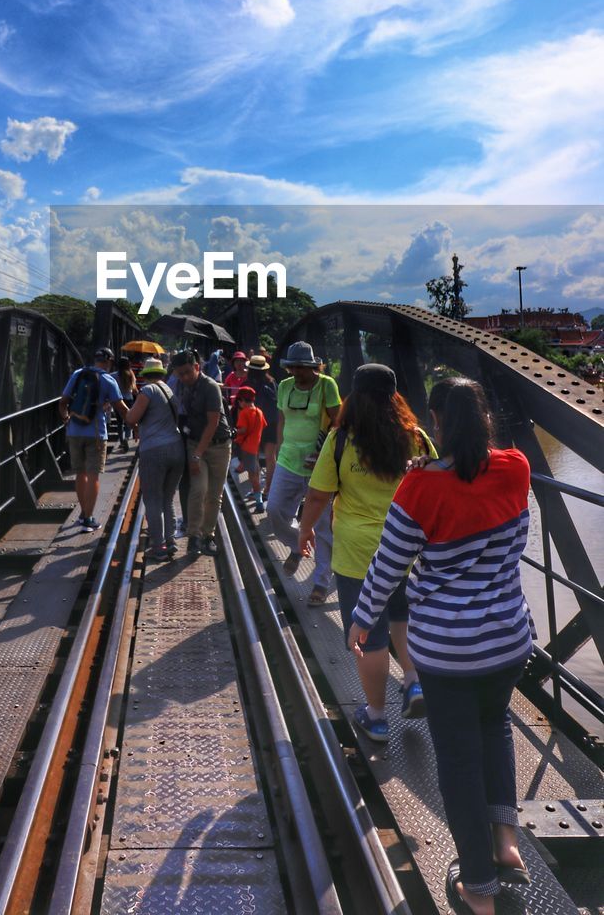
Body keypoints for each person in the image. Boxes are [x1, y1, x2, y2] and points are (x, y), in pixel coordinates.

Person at [347, 379, 534, 915]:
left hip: (448, 650)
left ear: (436, 421)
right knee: (494, 727)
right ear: (484, 416)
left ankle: (477, 887)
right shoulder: (517, 467)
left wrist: (361, 622)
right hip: (508, 639)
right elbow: (488, 492)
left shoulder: (420, 488)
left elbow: (388, 567)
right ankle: (506, 842)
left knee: (457, 759)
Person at [299, 363, 435, 730]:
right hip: (408, 550)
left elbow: (317, 495)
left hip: (358, 554)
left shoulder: (341, 439)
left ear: (354, 395)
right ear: (394, 396)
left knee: (367, 636)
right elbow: (437, 482)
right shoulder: (416, 438)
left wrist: (305, 531)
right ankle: (413, 681)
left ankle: (376, 719)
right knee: (403, 619)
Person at [267, 341, 341, 602]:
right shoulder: (285, 387)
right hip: (288, 460)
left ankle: (321, 583)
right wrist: (275, 454)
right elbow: (282, 421)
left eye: (301, 367)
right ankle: (297, 545)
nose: (296, 372)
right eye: (293, 367)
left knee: (323, 527)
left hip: (318, 466)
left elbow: (338, 422)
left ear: (313, 366)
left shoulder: (326, 385)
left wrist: (323, 453)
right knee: (274, 511)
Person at [59, 347, 129, 532]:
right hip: (96, 433)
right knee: (93, 475)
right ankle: (89, 518)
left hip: (74, 432)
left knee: (80, 474)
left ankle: (83, 513)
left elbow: (63, 402)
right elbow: (121, 408)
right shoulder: (108, 379)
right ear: (109, 361)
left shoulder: (77, 374)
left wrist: (66, 419)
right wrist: (137, 425)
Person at [171, 348, 232, 557]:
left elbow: (213, 422)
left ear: (197, 367)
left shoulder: (210, 386)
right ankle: (194, 536)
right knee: (198, 490)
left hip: (219, 445)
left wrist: (197, 454)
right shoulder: (181, 386)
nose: (185, 377)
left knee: (214, 495)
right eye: (180, 373)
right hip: (195, 443)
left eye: (188, 372)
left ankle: (208, 535)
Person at [124, 358, 184, 560]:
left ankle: (158, 547)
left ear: (146, 375)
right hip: (176, 448)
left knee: (153, 499)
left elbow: (131, 419)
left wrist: (123, 408)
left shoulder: (147, 391)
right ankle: (171, 540)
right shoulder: (169, 390)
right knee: (168, 499)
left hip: (155, 451)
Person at [246, 353, 278, 508]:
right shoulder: (272, 382)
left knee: (255, 458)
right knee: (271, 458)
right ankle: (268, 490)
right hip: (271, 424)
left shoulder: (248, 384)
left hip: (254, 424)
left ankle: (256, 489)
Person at [233, 385, 266, 508]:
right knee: (256, 472)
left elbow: (243, 429)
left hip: (247, 448)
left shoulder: (244, 413)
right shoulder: (259, 411)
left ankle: (259, 502)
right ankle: (256, 494)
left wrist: (233, 432)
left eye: (238, 401)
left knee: (252, 476)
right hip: (256, 446)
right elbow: (263, 426)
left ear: (242, 400)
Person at [112, 355, 138, 452]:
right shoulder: (131, 374)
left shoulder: (113, 376)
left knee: (119, 422)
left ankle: (122, 441)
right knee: (128, 420)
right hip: (129, 399)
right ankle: (127, 437)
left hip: (117, 401)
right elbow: (134, 389)